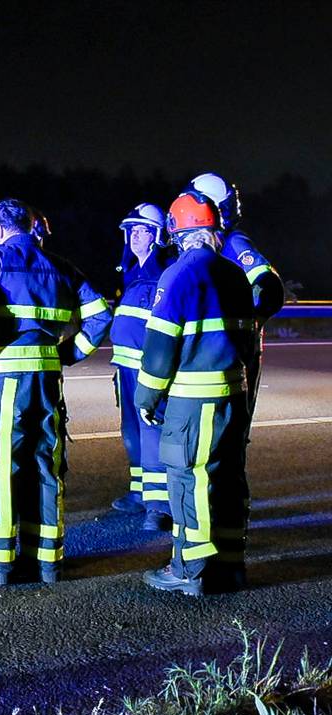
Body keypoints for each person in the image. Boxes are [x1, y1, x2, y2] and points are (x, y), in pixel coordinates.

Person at [0, 199, 113, 585]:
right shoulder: (60, 266)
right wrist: (68, 354)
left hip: (3, 382)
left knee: (0, 467)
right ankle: (48, 562)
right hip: (47, 381)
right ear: (30, 226)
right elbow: (102, 313)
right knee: (45, 464)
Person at [136, 191, 254, 596]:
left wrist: (146, 398)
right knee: (228, 479)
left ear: (176, 230)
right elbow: (248, 341)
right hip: (233, 396)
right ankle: (230, 565)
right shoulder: (234, 273)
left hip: (192, 401)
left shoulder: (178, 275)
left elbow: (159, 350)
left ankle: (191, 569)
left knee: (189, 480)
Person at [188, 173, 283, 421]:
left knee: (232, 427)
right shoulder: (204, 247)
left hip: (234, 353)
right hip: (211, 353)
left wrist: (251, 324)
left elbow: (270, 288)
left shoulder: (232, 242)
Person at [108, 203, 176, 530]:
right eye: (131, 230)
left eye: (142, 230)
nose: (135, 236)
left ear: (157, 235)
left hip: (148, 369)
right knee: (132, 433)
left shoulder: (164, 270)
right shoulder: (132, 271)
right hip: (125, 368)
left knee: (152, 433)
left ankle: (158, 507)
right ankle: (139, 493)